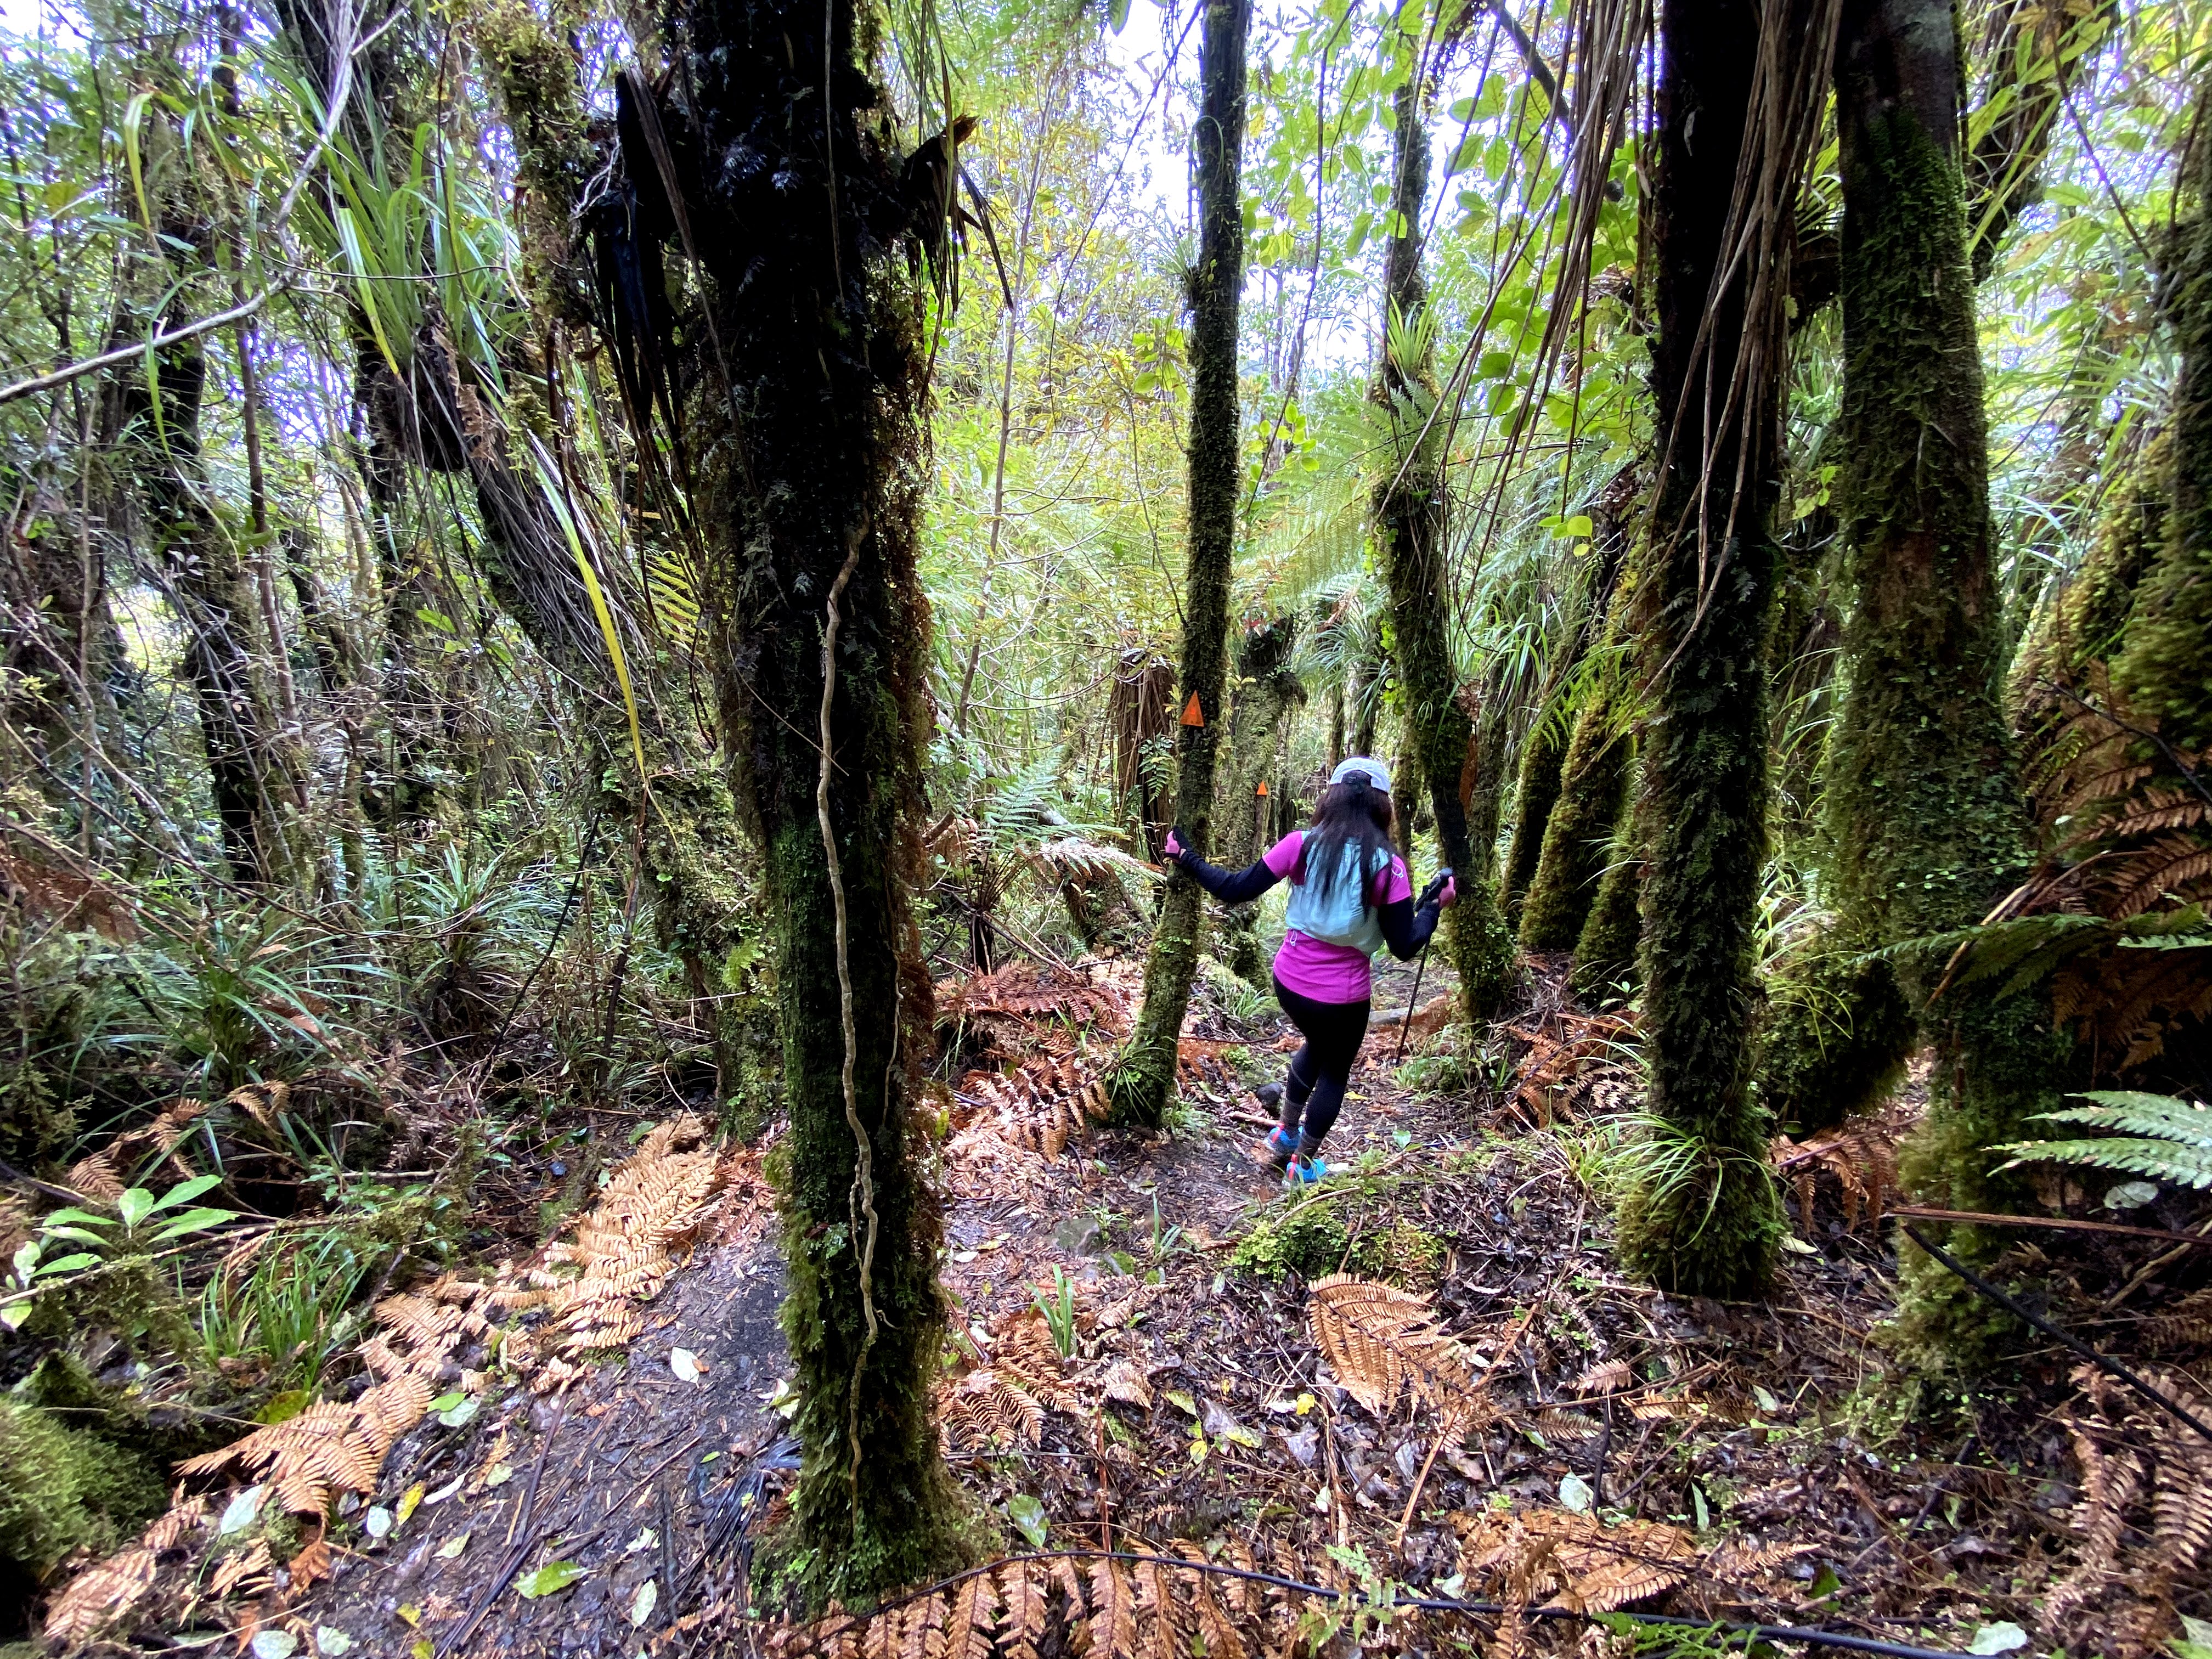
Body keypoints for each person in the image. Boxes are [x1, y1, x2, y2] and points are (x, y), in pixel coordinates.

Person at [1163, 756, 1455, 1186]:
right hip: (1344, 997)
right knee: (1335, 1071)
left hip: (1290, 983)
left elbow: (1235, 889)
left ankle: (1285, 1135)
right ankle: (1301, 1167)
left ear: (1330, 798)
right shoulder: (1389, 867)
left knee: (1317, 1045)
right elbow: (1405, 944)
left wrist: (1185, 856)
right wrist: (1434, 907)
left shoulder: (1300, 845)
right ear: (1382, 806)